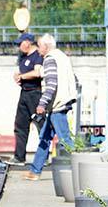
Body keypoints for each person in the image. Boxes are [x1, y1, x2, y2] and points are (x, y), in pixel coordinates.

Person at [22, 34, 77, 181]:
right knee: (45, 137)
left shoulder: (50, 59)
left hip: (57, 105)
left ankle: (81, 169)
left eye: (39, 46)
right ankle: (35, 170)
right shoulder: (62, 57)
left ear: (46, 46)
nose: (38, 49)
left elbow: (51, 85)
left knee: (65, 140)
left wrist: (42, 104)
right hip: (61, 102)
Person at [10, 32, 44, 167]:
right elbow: (20, 72)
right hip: (24, 93)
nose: (19, 47)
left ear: (28, 42)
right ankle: (19, 157)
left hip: (35, 94)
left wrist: (23, 76)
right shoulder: (23, 57)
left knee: (41, 124)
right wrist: (17, 76)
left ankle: (44, 156)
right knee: (20, 125)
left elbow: (37, 72)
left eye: (20, 43)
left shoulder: (37, 56)